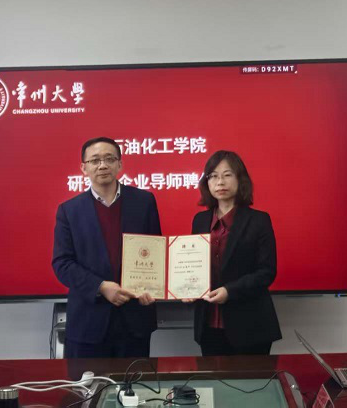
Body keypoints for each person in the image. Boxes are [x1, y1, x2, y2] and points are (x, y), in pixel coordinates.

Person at [52, 136, 161, 358]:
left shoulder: (144, 201)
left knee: (135, 381)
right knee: (86, 382)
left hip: (134, 319)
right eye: (95, 160)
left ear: (120, 164)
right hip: (88, 322)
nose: (102, 165)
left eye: (109, 159)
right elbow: (62, 263)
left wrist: (153, 286)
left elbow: (156, 251)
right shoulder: (69, 210)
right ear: (84, 168)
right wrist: (101, 287)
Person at [188, 149, 282, 356]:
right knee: (213, 376)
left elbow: (266, 272)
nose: (220, 182)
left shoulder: (259, 220)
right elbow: (193, 267)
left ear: (240, 179)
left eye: (227, 175)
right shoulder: (200, 221)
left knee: (251, 377)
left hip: (250, 325)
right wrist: (186, 288)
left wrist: (230, 291)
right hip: (208, 325)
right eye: (213, 176)